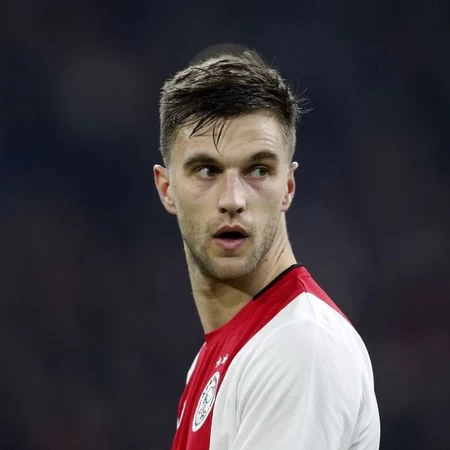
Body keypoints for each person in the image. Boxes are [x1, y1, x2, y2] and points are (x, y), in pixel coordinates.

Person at [154, 50, 380, 449]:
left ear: (287, 187)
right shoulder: (221, 354)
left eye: (258, 170)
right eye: (206, 170)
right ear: (167, 188)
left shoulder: (300, 345)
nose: (232, 200)